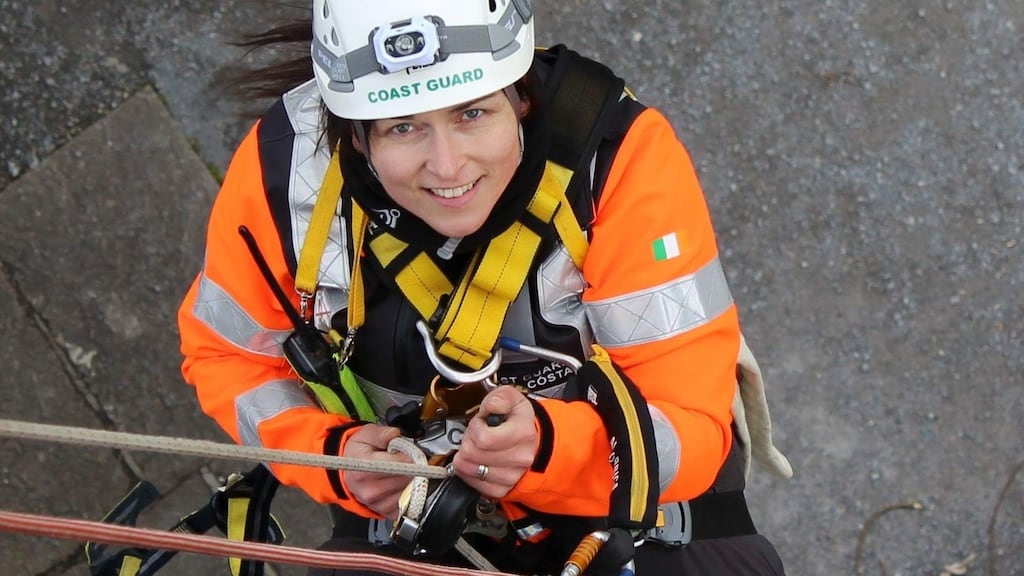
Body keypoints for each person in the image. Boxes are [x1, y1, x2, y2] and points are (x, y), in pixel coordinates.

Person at [178, 1, 792, 574]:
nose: (448, 167)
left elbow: (690, 423)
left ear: (520, 97)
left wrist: (552, 449)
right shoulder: (285, 177)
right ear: (355, 134)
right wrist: (333, 457)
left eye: (472, 113)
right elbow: (230, 358)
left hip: (639, 510)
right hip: (414, 519)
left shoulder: (616, 158)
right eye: (402, 128)